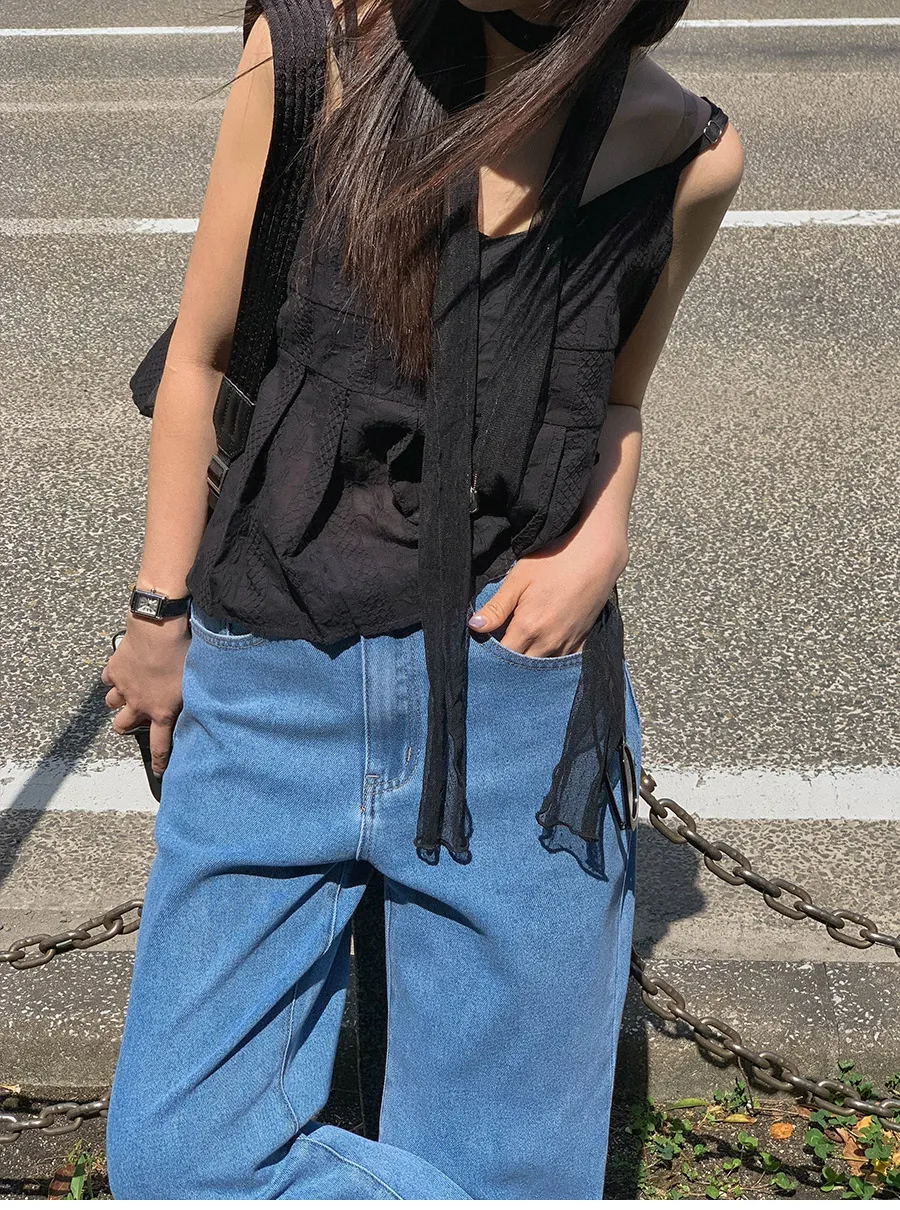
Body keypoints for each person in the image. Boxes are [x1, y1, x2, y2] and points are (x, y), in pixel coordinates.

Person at [102, 0, 743, 1198]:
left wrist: (601, 538)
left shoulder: (683, 151)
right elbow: (200, 358)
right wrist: (157, 613)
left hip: (515, 710)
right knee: (183, 1160)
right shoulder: (313, 56)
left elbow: (617, 396)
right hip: (273, 674)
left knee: (509, 1172)